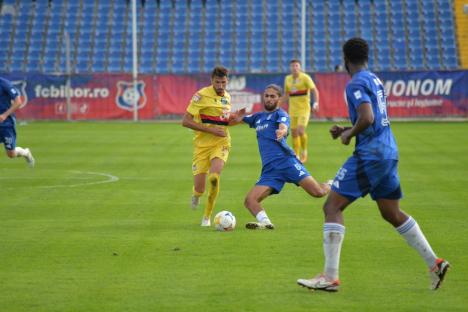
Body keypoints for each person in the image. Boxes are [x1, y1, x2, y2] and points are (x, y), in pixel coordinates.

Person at [297, 38, 449, 292]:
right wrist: (347, 129)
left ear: (345, 59)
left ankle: (330, 277)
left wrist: (349, 134)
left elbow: (367, 117)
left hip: (371, 154)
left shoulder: (355, 82)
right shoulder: (374, 79)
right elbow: (374, 118)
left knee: (332, 206)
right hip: (388, 151)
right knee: (391, 213)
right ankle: (435, 263)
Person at [229, 84, 330, 229]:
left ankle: (331, 184)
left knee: (318, 192)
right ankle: (265, 223)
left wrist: (282, 131)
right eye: (267, 96)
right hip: (270, 170)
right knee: (250, 201)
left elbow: (283, 125)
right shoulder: (257, 117)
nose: (269, 99)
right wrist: (234, 116)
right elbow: (236, 119)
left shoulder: (281, 114)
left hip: (286, 162)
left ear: (279, 99)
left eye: (273, 96)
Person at [182, 66, 232, 227]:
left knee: (214, 177)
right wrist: (210, 130)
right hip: (202, 147)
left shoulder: (227, 97)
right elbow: (186, 121)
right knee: (200, 188)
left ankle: (207, 216)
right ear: (212, 81)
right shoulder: (201, 96)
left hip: (221, 143)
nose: (220, 86)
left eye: (223, 82)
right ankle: (196, 196)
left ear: (227, 81)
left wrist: (236, 118)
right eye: (217, 82)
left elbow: (223, 122)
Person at [282, 59, 319, 163]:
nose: (294, 68)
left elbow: (315, 90)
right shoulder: (287, 79)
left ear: (300, 67)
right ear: (290, 68)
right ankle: (296, 155)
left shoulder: (305, 78)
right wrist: (277, 106)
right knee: (293, 133)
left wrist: (316, 103)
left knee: (300, 130)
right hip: (292, 110)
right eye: (293, 66)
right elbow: (286, 95)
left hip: (304, 109)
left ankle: (304, 152)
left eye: (296, 66)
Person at [0, 77, 35, 167]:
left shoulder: (4, 84)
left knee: (11, 154)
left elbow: (18, 102)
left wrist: (4, 115)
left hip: (6, 124)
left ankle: (25, 153)